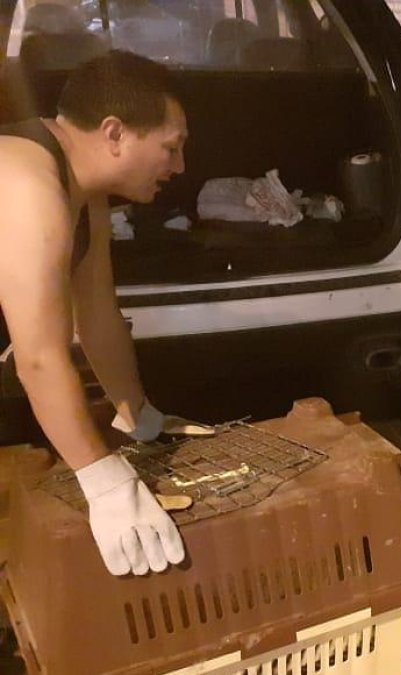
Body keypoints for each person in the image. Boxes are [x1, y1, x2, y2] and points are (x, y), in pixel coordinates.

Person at [0, 50, 211, 578]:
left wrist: (137, 412)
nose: (179, 167)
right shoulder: (27, 186)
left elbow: (97, 317)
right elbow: (41, 361)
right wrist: (105, 481)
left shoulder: (83, 192)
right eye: (172, 147)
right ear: (114, 133)